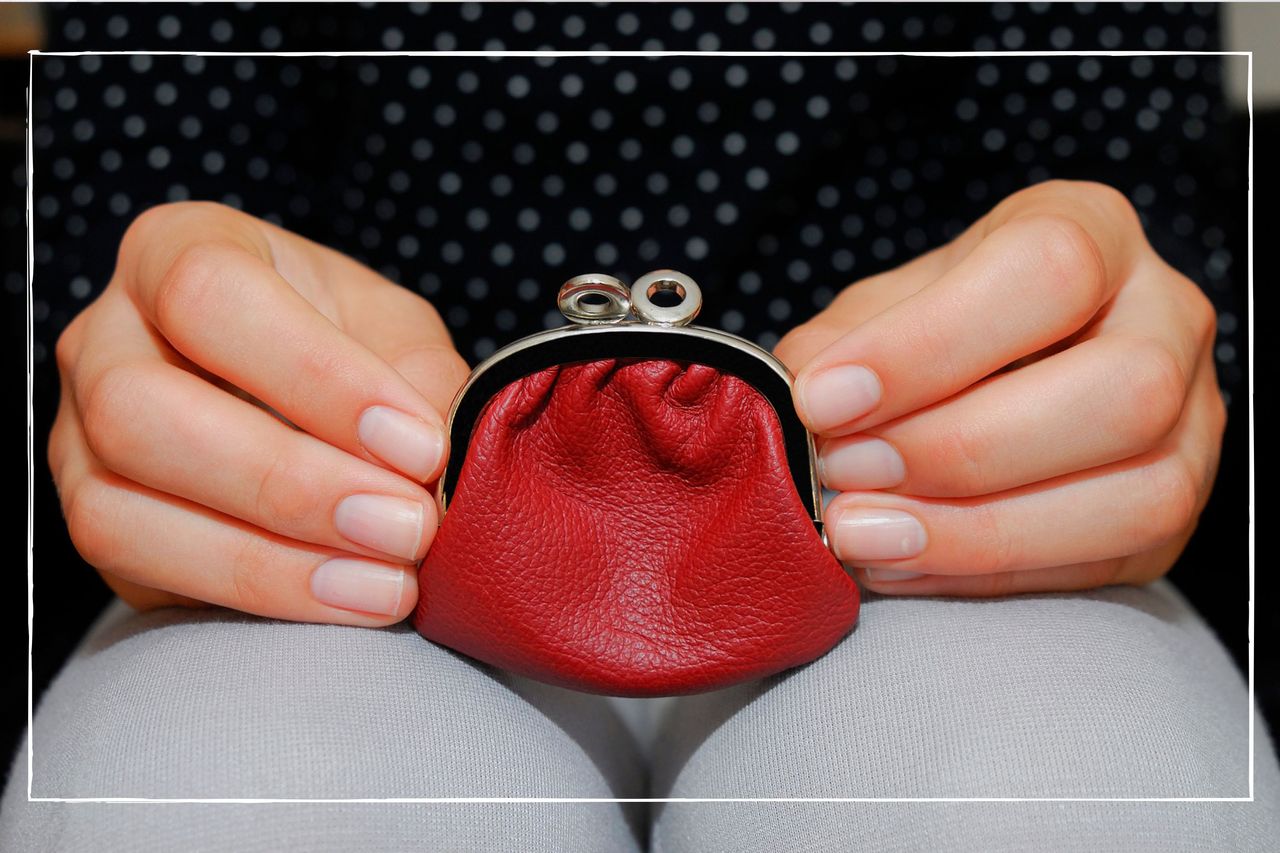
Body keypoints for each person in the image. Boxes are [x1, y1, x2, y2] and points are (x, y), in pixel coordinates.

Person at [5, 4, 1276, 850]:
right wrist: (167, 366)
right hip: (336, 541)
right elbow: (137, 192)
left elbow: (1126, 186)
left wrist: (1111, 339)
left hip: (938, 531)